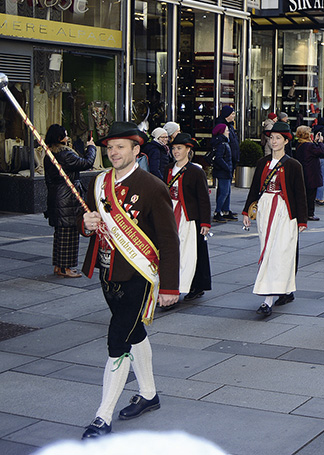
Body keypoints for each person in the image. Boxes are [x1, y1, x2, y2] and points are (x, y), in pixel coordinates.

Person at [79, 122, 180, 439]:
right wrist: (87, 223)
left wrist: (169, 286)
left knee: (117, 340)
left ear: (137, 150)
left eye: (120, 147)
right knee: (134, 332)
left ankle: (102, 417)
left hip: (137, 276)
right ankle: (149, 395)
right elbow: (92, 227)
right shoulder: (98, 183)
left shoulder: (151, 186)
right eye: (109, 147)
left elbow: (168, 239)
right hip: (108, 272)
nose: (113, 152)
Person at [242, 122, 308, 317]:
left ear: (286, 141)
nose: (274, 141)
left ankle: (267, 299)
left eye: (278, 138)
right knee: (268, 249)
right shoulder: (263, 163)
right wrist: (247, 211)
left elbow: (300, 194)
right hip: (264, 209)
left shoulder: (293, 165)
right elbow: (255, 188)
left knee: (279, 253)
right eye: (271, 138)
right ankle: (285, 289)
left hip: (284, 212)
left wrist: (302, 220)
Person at [44, 124, 96, 278]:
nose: (67, 138)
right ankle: (65, 268)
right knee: (69, 234)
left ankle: (59, 266)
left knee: (61, 233)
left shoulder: (50, 154)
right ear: (59, 138)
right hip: (67, 197)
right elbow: (87, 163)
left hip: (57, 196)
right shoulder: (64, 154)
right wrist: (91, 148)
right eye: (65, 135)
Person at [165, 133, 212, 302]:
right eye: (173, 148)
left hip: (189, 217)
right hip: (170, 214)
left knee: (191, 251)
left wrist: (205, 222)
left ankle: (194, 285)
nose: (175, 152)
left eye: (179, 148)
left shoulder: (195, 171)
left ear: (188, 149)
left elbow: (203, 199)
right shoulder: (168, 169)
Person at [293, 125, 324, 221]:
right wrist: (320, 143)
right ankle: (309, 214)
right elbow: (320, 151)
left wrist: (315, 142)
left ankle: (304, 213)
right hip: (311, 173)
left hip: (304, 172)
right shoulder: (309, 146)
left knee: (305, 194)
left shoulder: (299, 144)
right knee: (311, 195)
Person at [211, 123, 235, 223]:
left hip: (225, 171)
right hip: (223, 172)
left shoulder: (224, 142)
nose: (228, 132)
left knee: (227, 192)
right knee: (224, 192)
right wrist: (227, 168)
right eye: (226, 130)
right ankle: (218, 211)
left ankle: (225, 210)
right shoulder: (222, 144)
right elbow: (219, 158)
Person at [216, 105, 240, 175]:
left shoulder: (231, 126)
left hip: (231, 158)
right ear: (227, 115)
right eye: (232, 114)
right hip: (226, 159)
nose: (234, 116)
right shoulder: (221, 126)